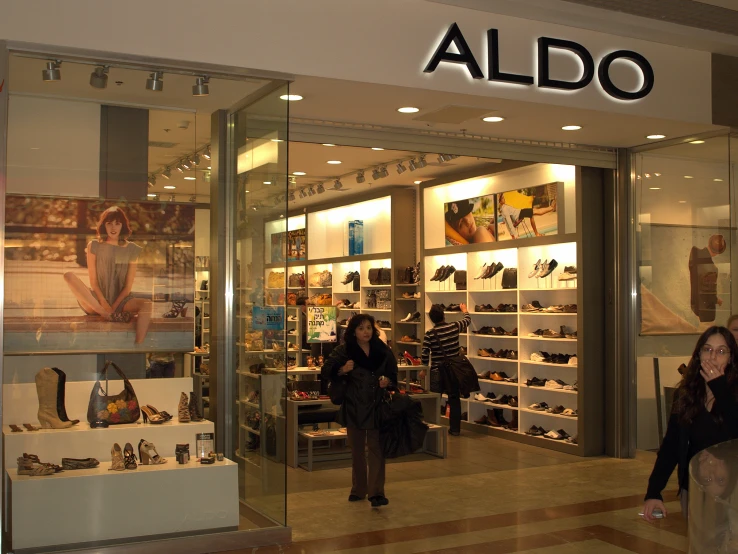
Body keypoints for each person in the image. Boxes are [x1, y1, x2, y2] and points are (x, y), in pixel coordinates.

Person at [642, 326, 738, 522]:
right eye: (707, 349)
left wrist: (719, 388)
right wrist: (654, 491)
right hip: (694, 486)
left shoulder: (734, 394)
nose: (713, 357)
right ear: (698, 354)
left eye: (721, 351)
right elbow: (671, 446)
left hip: (733, 489)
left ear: (731, 358)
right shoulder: (686, 395)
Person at [323, 314, 397, 507]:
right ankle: (358, 489)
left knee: (377, 450)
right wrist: (341, 370)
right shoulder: (344, 351)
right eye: (361, 328)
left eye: (369, 328)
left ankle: (376, 493)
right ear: (353, 331)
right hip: (354, 405)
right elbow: (325, 370)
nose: (366, 332)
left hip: (376, 405)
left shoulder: (383, 350)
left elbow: (392, 373)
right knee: (356, 450)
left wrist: (387, 381)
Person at [64, 206, 152, 344]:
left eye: (117, 223)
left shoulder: (132, 249)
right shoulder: (94, 245)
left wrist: (114, 307)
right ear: (103, 225)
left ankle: (138, 344)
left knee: (147, 304)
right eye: (109, 223)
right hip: (96, 301)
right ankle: (105, 315)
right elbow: (93, 281)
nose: (113, 227)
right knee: (68, 275)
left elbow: (128, 287)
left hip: (122, 301)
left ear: (123, 226)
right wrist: (105, 307)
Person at [421, 303, 471, 436]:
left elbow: (425, 353)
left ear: (432, 319)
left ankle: (434, 426)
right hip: (452, 370)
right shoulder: (453, 327)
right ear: (443, 315)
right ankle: (455, 429)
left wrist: (423, 369)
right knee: (454, 398)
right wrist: (464, 310)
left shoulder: (430, 334)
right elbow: (467, 321)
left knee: (435, 399)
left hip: (437, 370)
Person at [689, 234, 726, 324]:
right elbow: (708, 291)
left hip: (695, 303)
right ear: (718, 253)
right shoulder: (711, 268)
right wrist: (716, 300)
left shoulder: (695, 252)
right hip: (705, 309)